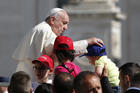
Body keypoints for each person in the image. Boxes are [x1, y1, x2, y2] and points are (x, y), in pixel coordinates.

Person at [12, 8, 103, 81]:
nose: (65, 28)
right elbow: (62, 50)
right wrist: (87, 42)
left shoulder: (41, 28)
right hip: (33, 78)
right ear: (52, 20)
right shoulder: (45, 30)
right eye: (64, 23)